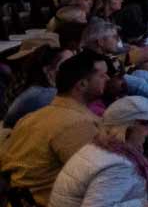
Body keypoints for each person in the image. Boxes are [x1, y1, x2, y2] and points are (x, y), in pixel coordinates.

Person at [49, 96, 148, 207]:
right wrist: (143, 204)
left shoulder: (105, 145)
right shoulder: (115, 164)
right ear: (127, 128)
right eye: (146, 123)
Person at [0, 51, 111, 205]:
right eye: (102, 75)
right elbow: (98, 181)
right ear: (82, 84)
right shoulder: (76, 124)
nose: (108, 78)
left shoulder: (31, 117)